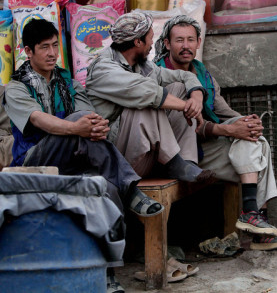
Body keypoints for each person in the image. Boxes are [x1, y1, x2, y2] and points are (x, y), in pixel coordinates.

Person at [3, 18, 164, 293]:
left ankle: (107, 273)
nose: (53, 53)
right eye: (44, 47)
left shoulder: (66, 81)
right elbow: (39, 120)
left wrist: (96, 125)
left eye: (55, 45)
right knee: (79, 120)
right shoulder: (16, 87)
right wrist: (79, 126)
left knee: (105, 186)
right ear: (28, 51)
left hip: (74, 157)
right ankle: (132, 188)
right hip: (34, 160)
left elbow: (90, 115)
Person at [152, 15, 277, 251]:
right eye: (179, 40)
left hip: (203, 148)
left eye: (190, 40)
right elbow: (182, 128)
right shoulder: (160, 75)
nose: (185, 46)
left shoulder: (203, 74)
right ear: (167, 44)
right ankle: (256, 220)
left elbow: (223, 111)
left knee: (256, 140)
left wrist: (246, 123)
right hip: (175, 154)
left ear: (199, 42)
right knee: (251, 144)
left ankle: (253, 216)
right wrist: (228, 129)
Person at [86, 12, 214, 183]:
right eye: (150, 38)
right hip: (117, 160)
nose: (152, 44)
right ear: (138, 41)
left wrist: (196, 97)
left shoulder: (142, 64)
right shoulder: (103, 69)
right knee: (146, 103)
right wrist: (186, 107)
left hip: (144, 152)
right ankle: (174, 163)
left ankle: (185, 163)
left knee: (178, 88)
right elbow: (148, 93)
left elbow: (182, 76)